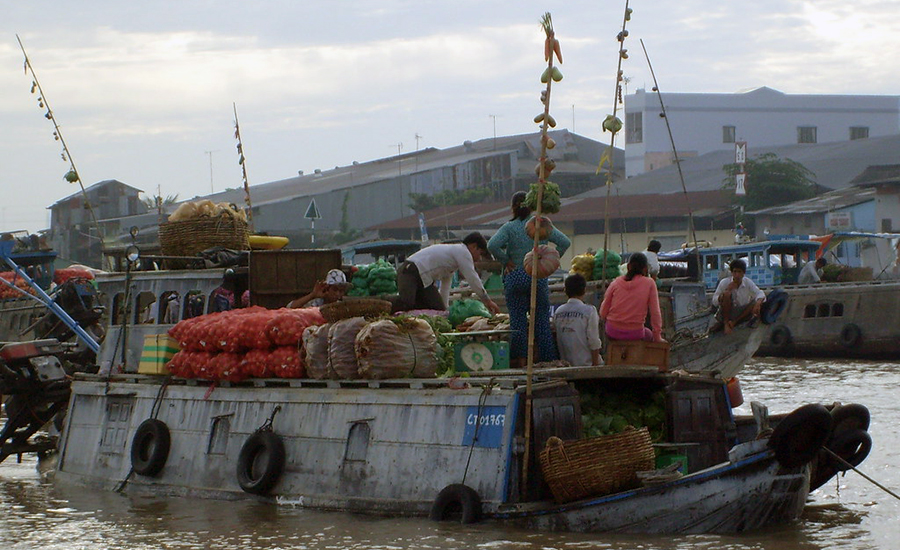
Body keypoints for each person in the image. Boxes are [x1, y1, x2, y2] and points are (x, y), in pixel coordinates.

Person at [488, 192, 571, 367]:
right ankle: (547, 359)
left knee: (517, 321)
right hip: (537, 277)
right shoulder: (540, 225)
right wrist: (550, 261)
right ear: (531, 206)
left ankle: (521, 360)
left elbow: (492, 245)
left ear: (513, 208)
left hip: (516, 275)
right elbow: (564, 242)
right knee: (541, 320)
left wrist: (505, 260)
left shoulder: (509, 228)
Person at [393, 232, 500, 314]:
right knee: (407, 303)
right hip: (410, 271)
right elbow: (472, 277)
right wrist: (487, 300)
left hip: (424, 279)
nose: (479, 259)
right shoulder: (462, 251)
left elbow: (445, 286)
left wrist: (445, 310)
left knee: (437, 308)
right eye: (480, 254)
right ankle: (382, 302)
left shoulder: (451, 261)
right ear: (473, 246)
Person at [599, 252, 664, 342]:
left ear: (628, 266)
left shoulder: (616, 283)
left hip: (612, 332)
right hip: (635, 333)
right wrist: (657, 336)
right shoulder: (650, 283)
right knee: (648, 334)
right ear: (645, 269)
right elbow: (655, 313)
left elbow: (603, 313)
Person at [552, 274, 603, 366]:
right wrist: (595, 366)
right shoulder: (589, 311)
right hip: (586, 365)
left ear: (565, 291)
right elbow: (594, 341)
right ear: (584, 290)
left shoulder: (558, 312)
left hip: (565, 365)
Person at [712, 259, 765, 334]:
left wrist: (758, 303)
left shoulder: (747, 282)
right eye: (735, 272)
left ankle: (734, 322)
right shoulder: (725, 282)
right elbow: (714, 301)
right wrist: (727, 291)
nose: (737, 275)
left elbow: (760, 293)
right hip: (726, 312)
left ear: (743, 273)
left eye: (739, 272)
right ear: (732, 272)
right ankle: (726, 324)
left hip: (741, 313)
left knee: (755, 302)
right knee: (727, 294)